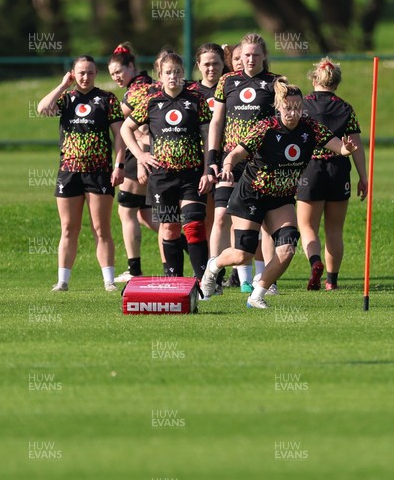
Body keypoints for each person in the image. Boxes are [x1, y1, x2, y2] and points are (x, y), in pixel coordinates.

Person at [200, 79, 358, 309]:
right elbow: (235, 154)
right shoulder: (266, 127)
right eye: (287, 108)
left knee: (287, 249)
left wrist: (347, 149)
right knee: (242, 255)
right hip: (251, 194)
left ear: (302, 107)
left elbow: (339, 147)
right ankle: (213, 268)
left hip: (281, 198)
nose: (292, 113)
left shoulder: (311, 127)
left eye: (297, 107)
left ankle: (257, 295)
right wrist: (226, 166)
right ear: (278, 107)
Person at [120, 52, 211, 281]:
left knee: (194, 224)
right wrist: (141, 156)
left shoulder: (196, 99)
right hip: (162, 177)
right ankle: (175, 281)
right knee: (170, 229)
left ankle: (204, 282)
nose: (173, 76)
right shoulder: (151, 101)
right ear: (160, 75)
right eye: (168, 72)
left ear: (183, 74)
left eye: (178, 72)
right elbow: (125, 129)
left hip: (191, 174)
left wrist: (209, 167)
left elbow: (208, 134)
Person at [37, 55, 125, 292]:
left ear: (96, 74)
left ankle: (109, 280)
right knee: (68, 228)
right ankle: (63, 281)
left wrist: (119, 166)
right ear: (73, 74)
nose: (86, 77)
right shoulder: (66, 98)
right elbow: (42, 107)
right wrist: (63, 85)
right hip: (69, 172)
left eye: (90, 72)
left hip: (99, 172)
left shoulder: (107, 99)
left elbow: (120, 136)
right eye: (81, 73)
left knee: (101, 228)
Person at [207, 33, 280, 294]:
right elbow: (216, 122)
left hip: (263, 164)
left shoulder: (275, 83)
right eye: (246, 55)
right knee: (221, 217)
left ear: (264, 57)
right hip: (230, 162)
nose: (249, 59)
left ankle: (265, 280)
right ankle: (213, 278)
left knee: (266, 223)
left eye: (255, 55)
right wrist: (211, 160)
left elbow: (285, 122)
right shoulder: (227, 81)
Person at [296, 58, 368, 290]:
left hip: (311, 169)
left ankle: (315, 262)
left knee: (307, 227)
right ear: (336, 84)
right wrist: (363, 178)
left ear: (314, 79)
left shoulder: (302, 105)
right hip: (339, 170)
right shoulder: (346, 108)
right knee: (335, 230)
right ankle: (331, 281)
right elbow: (355, 146)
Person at [107, 42, 160, 283]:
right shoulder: (142, 85)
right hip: (144, 153)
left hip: (140, 154)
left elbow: (145, 129)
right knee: (146, 215)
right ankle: (193, 250)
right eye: (112, 74)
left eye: (119, 71)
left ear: (131, 66)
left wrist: (140, 160)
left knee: (126, 210)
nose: (116, 77)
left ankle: (134, 270)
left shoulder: (138, 90)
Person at [194, 43, 225, 245]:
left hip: (227, 159)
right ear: (198, 65)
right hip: (198, 160)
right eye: (206, 64)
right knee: (203, 218)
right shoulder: (191, 93)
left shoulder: (232, 89)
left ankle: (234, 270)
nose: (211, 68)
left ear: (223, 64)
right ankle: (208, 268)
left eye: (215, 63)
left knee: (225, 216)